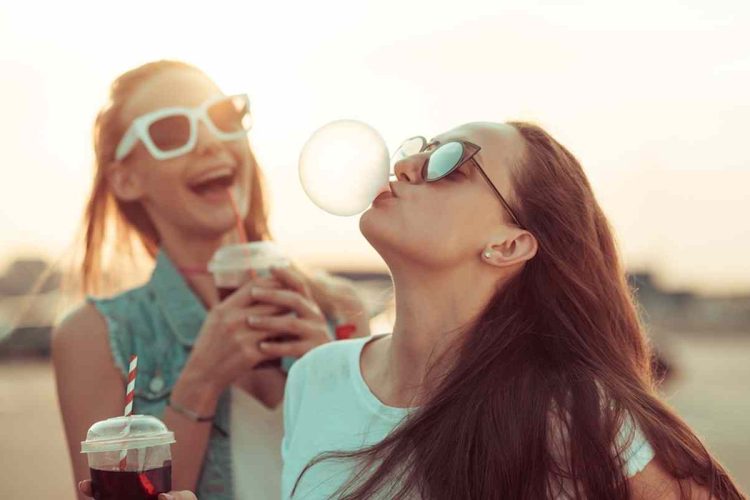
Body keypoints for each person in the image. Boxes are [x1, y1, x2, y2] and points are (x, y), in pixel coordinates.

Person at [278, 123, 745, 499]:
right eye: (419, 147)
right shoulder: (316, 378)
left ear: (508, 245)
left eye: (450, 164)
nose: (404, 164)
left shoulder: (571, 413)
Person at [52, 60, 369, 500]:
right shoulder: (94, 336)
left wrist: (331, 377)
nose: (210, 142)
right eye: (170, 132)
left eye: (223, 118)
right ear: (125, 178)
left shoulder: (340, 308)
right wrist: (200, 383)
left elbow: (383, 479)